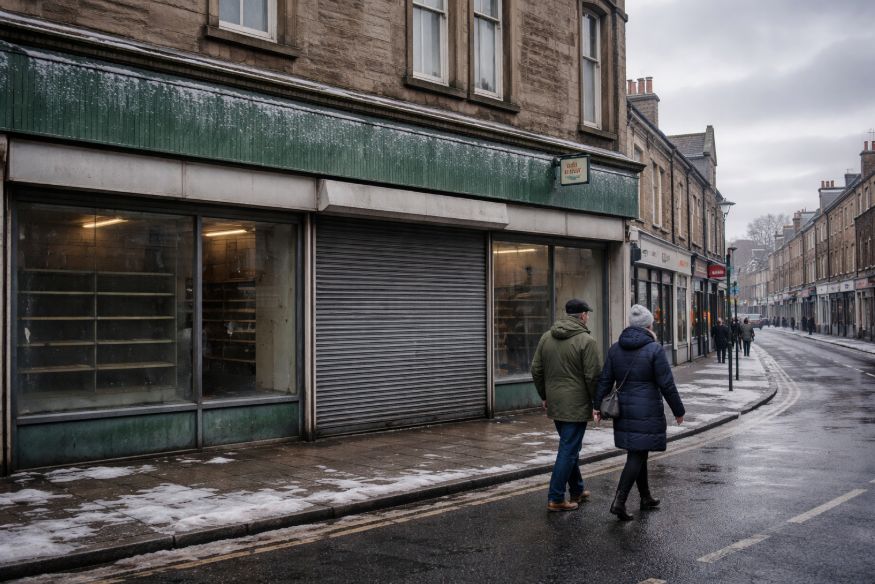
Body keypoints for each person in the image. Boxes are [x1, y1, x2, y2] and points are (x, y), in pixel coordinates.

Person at [593, 305, 685, 521]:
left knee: (638, 450)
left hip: (624, 409)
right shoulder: (654, 349)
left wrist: (597, 406)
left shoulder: (615, 349)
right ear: (648, 326)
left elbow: (605, 380)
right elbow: (667, 384)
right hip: (647, 410)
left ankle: (645, 497)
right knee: (637, 454)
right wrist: (678, 410)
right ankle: (619, 501)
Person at [531, 298, 602, 512]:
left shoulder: (547, 337)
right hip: (576, 404)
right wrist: (597, 402)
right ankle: (556, 497)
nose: (587, 317)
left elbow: (536, 369)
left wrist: (544, 395)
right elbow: (592, 376)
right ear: (582, 316)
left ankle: (577, 489)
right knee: (569, 449)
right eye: (587, 314)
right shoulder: (586, 341)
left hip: (555, 402)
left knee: (570, 446)